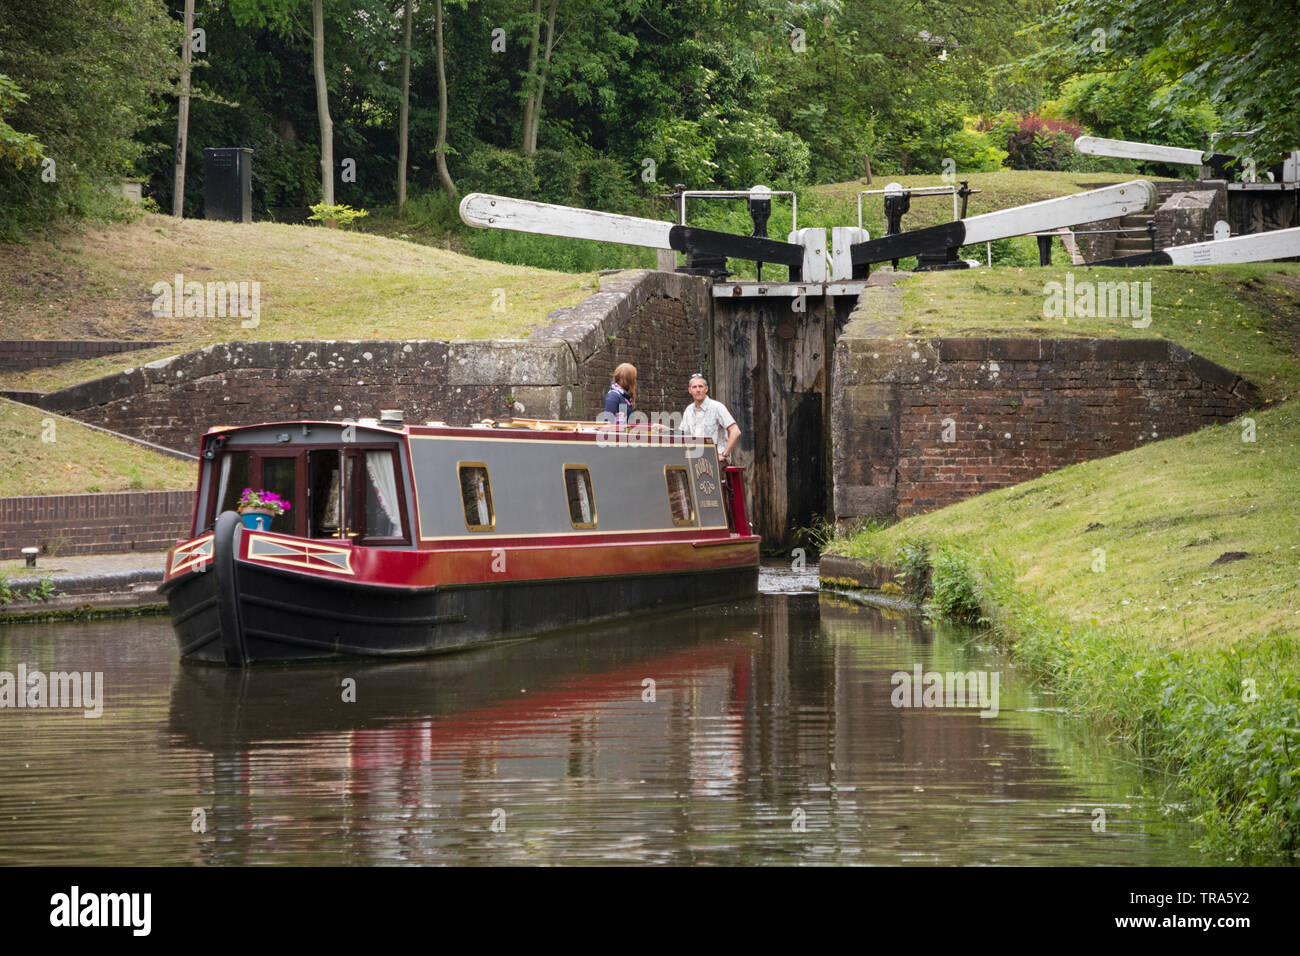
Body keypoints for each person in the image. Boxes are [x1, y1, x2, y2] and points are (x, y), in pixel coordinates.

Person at [681, 373, 740, 463]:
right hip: (696, 459)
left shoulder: (717, 407)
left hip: (716, 460)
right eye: (694, 387)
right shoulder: (689, 410)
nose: (698, 390)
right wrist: (664, 429)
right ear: (690, 390)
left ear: (706, 389)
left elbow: (735, 431)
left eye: (700, 386)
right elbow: (682, 434)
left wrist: (724, 454)